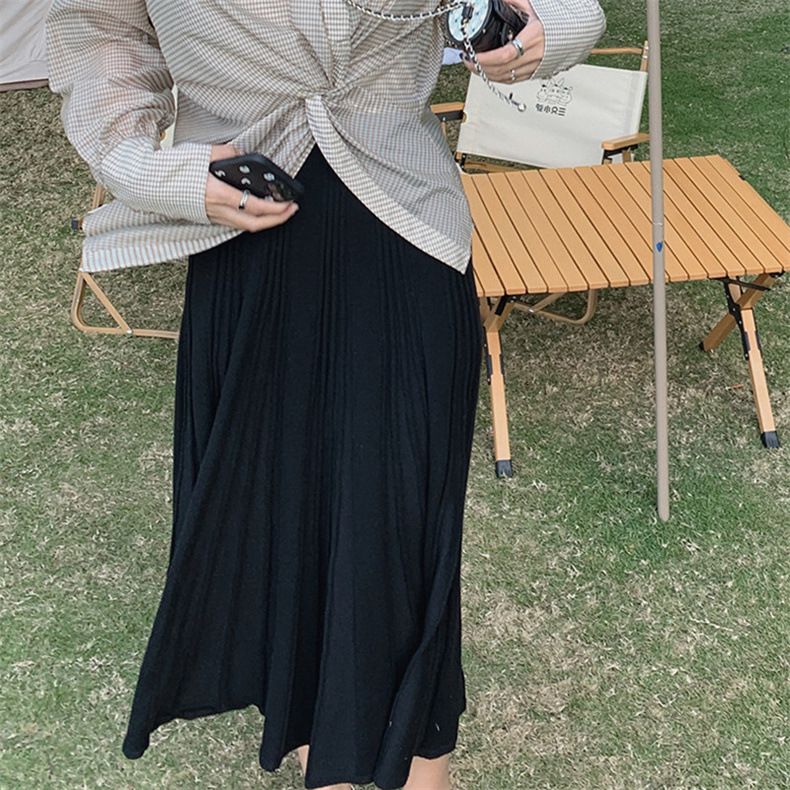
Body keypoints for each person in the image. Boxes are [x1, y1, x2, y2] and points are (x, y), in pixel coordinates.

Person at [46, 1, 605, 788]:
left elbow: (561, 8)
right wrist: (152, 170)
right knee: (285, 533)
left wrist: (548, 24)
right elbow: (100, 28)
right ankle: (322, 753)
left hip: (407, 232)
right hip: (241, 232)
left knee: (402, 540)